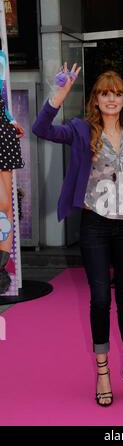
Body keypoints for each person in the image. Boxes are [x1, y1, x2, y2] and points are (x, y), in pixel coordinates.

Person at [32, 64, 123, 407]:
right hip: (94, 225)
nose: (111, 99)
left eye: (117, 93)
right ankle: (102, 373)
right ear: (96, 99)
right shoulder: (81, 130)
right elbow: (41, 129)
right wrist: (58, 96)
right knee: (100, 299)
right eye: (104, 93)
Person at [0, 50, 24, 294]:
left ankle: (1, 265)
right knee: (3, 203)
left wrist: (11, 119)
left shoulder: (1, 58)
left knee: (6, 206)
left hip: (2, 130)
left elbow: (2, 100)